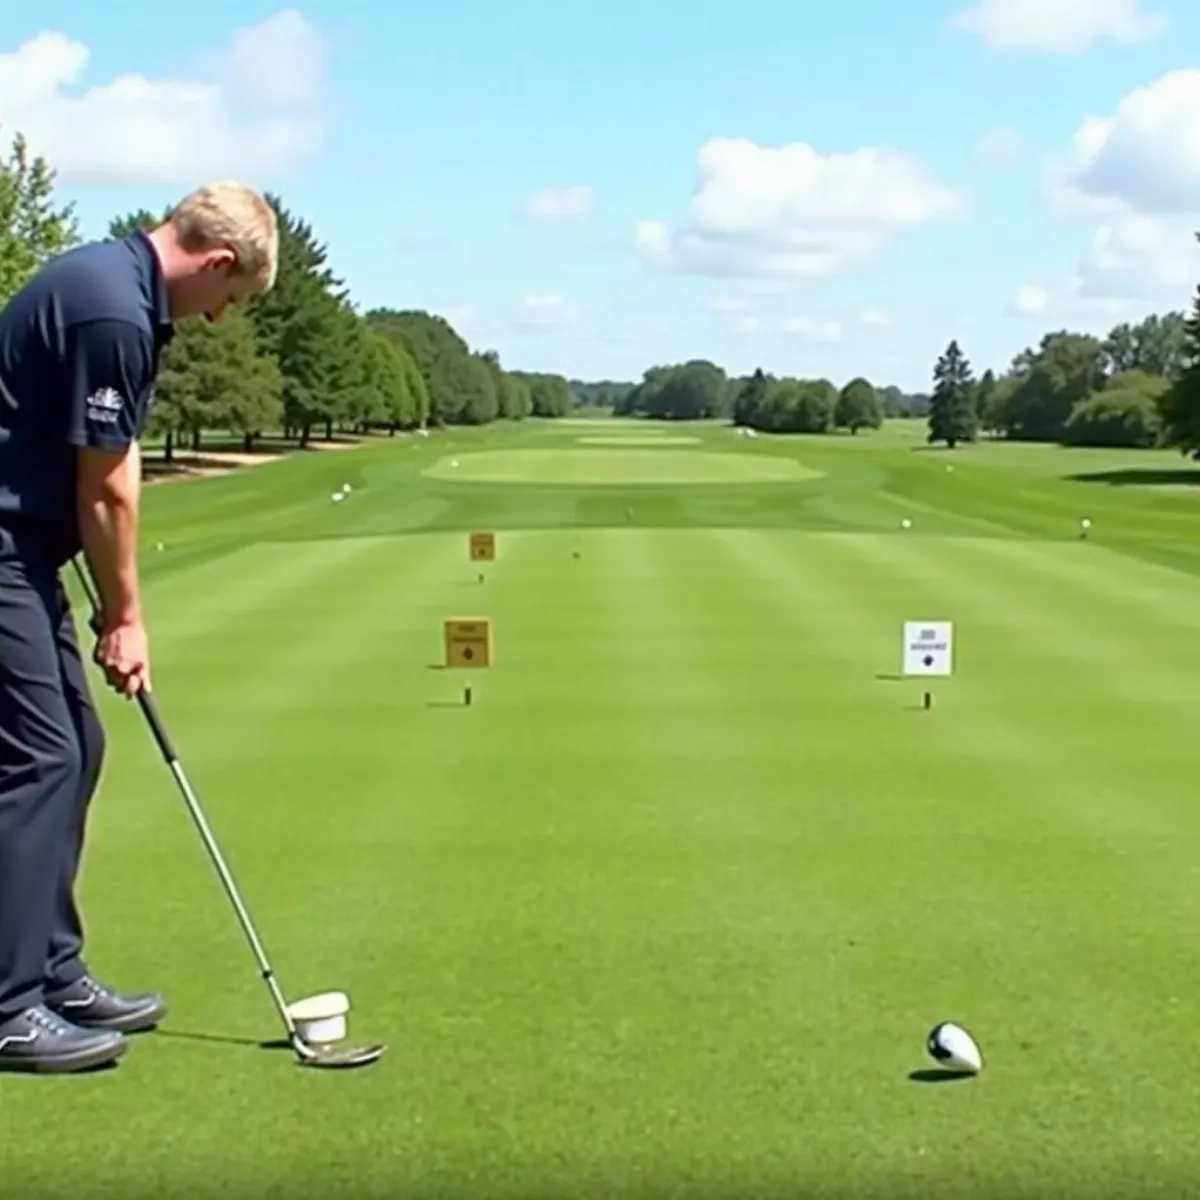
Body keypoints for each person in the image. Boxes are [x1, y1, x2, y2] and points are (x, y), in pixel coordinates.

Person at [0, 182, 278, 1073]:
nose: (216, 320)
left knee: (76, 742)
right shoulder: (112, 312)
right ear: (218, 262)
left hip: (24, 547)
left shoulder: (112, 286)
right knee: (41, 757)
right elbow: (109, 487)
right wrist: (127, 620)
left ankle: (52, 971)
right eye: (227, 301)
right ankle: (9, 1007)